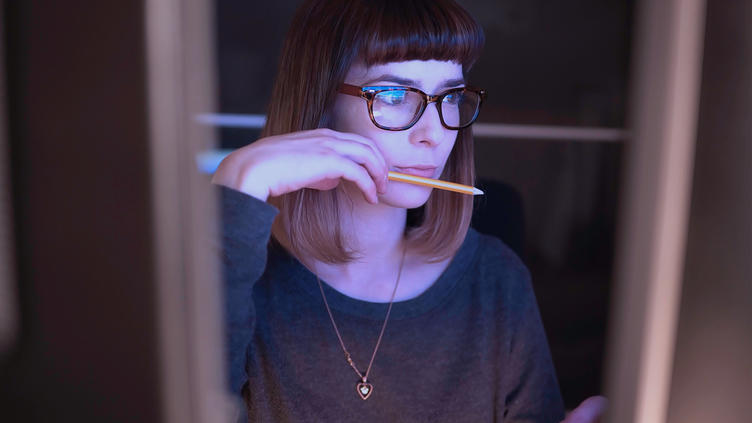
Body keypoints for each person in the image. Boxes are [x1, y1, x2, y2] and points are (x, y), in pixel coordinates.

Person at [212, 0, 605, 421]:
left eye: (450, 96)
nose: (433, 134)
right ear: (321, 100)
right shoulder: (237, 278)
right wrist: (238, 183)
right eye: (395, 95)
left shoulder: (497, 280)